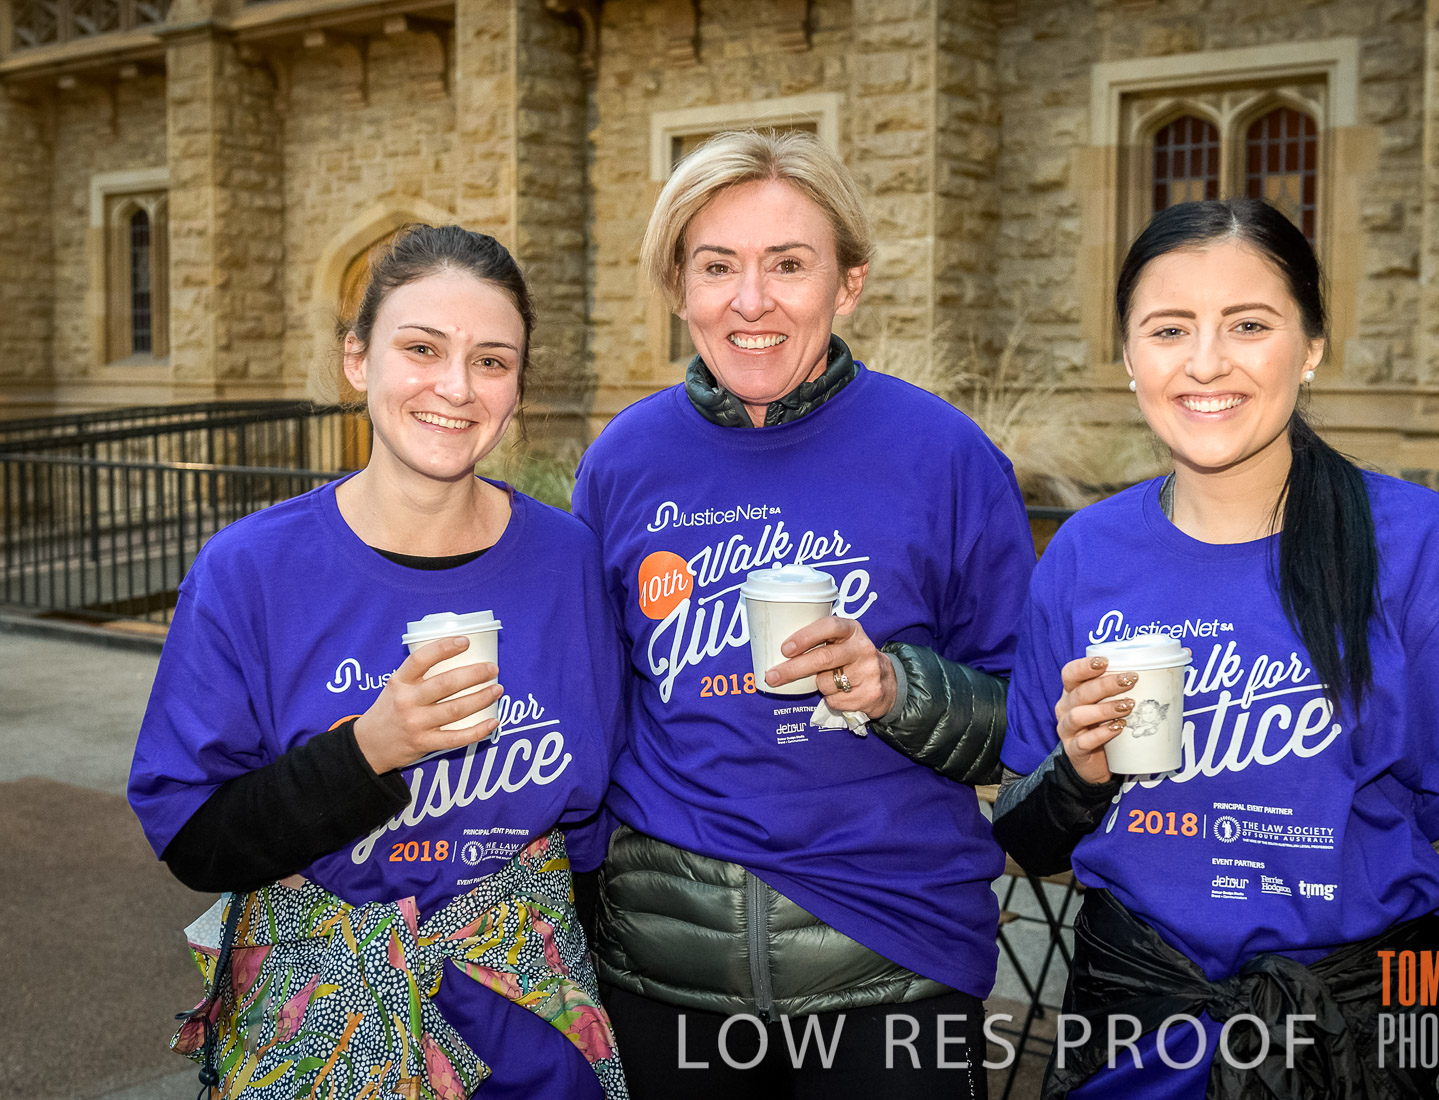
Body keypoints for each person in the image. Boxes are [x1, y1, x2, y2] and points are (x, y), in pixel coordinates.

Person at [993, 199, 1439, 1100]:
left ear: (1312, 346)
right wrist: (1078, 773)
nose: (1206, 362)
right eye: (1169, 329)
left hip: (1356, 1048)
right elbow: (1028, 842)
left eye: (1249, 325)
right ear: (1130, 357)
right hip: (1131, 1039)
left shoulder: (1423, 549)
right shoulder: (1085, 554)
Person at [572, 129, 1036, 1098]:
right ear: (680, 287)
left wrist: (896, 687)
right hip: (666, 974)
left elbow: (1024, 725)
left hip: (893, 966)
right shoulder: (622, 463)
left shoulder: (944, 454)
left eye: (789, 264)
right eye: (717, 266)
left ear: (848, 284)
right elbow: (594, 717)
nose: (751, 301)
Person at [128, 224, 627, 1100]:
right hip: (317, 1026)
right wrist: (368, 751)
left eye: (491, 361)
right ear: (358, 360)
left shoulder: (569, 561)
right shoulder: (251, 570)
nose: (456, 387)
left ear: (516, 387)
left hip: (528, 1021)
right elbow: (196, 837)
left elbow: (593, 833)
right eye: (421, 348)